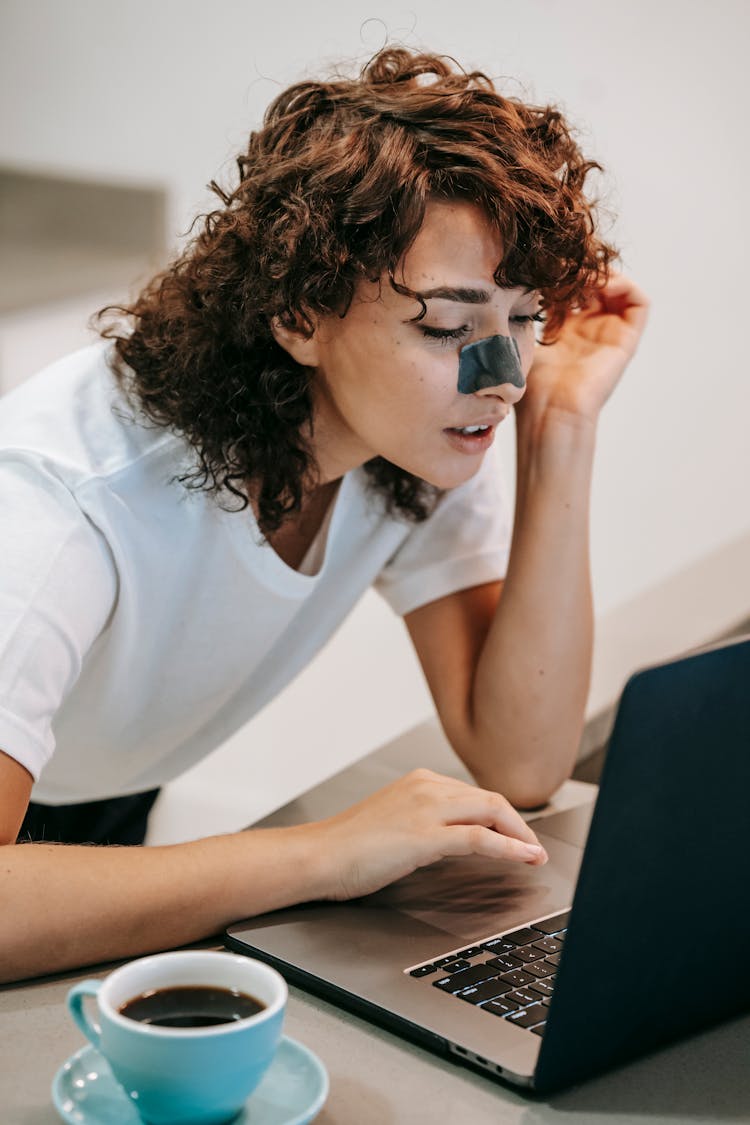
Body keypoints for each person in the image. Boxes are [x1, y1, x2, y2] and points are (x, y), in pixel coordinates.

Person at [0, 47, 648, 982]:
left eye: (521, 316)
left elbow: (525, 758)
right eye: (446, 325)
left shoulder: (419, 437)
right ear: (300, 315)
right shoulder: (67, 501)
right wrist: (323, 851)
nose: (502, 376)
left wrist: (564, 429)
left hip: (94, 804)